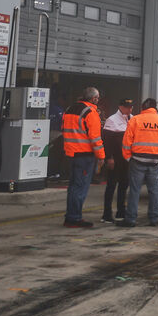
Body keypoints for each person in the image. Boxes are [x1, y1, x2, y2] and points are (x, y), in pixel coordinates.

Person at [119, 98, 158, 227]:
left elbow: (127, 142)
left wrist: (128, 158)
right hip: (155, 162)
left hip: (137, 160)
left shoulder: (135, 120)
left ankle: (131, 219)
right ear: (156, 108)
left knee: (134, 191)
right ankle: (154, 219)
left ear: (143, 107)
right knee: (154, 191)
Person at [62, 87, 105, 228]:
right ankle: (74, 218)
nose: (98, 101)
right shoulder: (90, 112)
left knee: (73, 186)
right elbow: (95, 138)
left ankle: (71, 216)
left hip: (71, 154)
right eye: (97, 98)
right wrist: (101, 156)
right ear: (93, 99)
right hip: (84, 155)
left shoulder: (69, 109)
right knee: (80, 187)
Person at [101, 98, 133, 223]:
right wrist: (109, 158)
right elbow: (106, 142)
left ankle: (121, 211)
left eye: (130, 107)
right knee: (111, 186)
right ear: (120, 107)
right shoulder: (112, 120)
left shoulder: (133, 119)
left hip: (126, 159)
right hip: (115, 159)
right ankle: (106, 214)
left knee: (124, 186)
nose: (129, 109)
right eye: (126, 107)